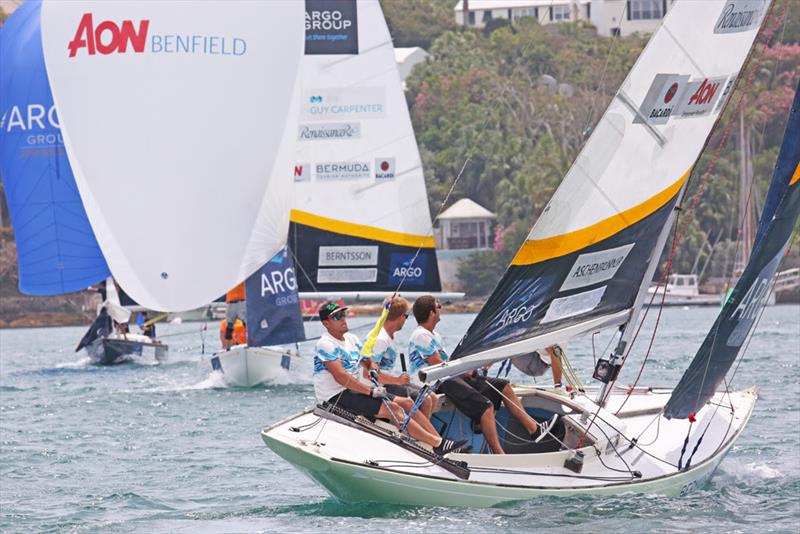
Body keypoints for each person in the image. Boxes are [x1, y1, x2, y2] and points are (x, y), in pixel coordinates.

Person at [313, 301, 467, 456]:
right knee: (393, 408)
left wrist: (372, 367)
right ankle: (437, 444)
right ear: (326, 323)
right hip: (336, 396)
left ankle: (434, 441)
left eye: (343, 314)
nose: (343, 319)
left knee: (405, 403)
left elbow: (366, 359)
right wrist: (370, 391)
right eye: (336, 317)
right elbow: (341, 376)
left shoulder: (352, 339)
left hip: (355, 390)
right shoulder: (325, 344)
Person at [409, 295, 557, 455]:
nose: (441, 307)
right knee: (486, 406)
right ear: (431, 312)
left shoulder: (434, 335)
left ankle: (534, 429)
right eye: (438, 305)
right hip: (440, 382)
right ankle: (499, 453)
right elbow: (438, 365)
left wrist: (470, 367)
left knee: (503, 386)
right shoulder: (421, 334)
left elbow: (448, 364)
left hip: (452, 376)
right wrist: (464, 370)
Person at [363, 296, 437, 420]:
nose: (406, 320)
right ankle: (417, 436)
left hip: (388, 382)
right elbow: (367, 374)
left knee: (432, 396)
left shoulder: (391, 335)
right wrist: (398, 380)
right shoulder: (380, 339)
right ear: (401, 316)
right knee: (425, 400)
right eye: (406, 316)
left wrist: (399, 380)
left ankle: (422, 430)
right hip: (375, 387)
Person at [223, 282, 246, 349]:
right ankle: (228, 349)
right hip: (230, 303)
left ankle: (251, 345)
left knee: (247, 325)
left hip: (241, 301)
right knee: (229, 328)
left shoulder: (242, 274)